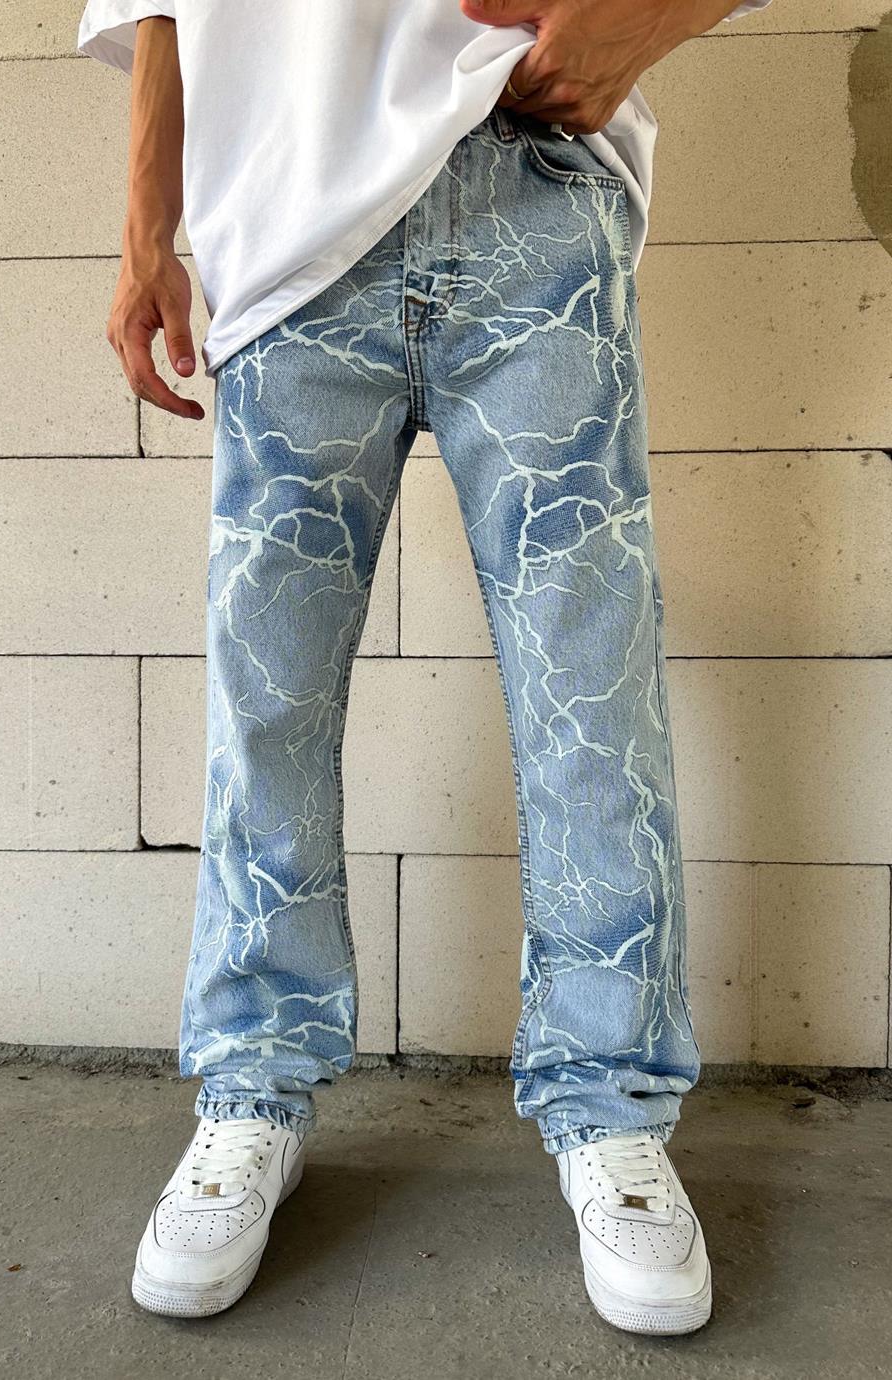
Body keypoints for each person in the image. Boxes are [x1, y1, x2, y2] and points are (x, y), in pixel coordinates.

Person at [77, 0, 772, 1335]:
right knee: (266, 704)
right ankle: (252, 1088)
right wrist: (144, 229)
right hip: (288, 226)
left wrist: (645, 20)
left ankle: (611, 1103)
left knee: (592, 695)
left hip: (536, 193)